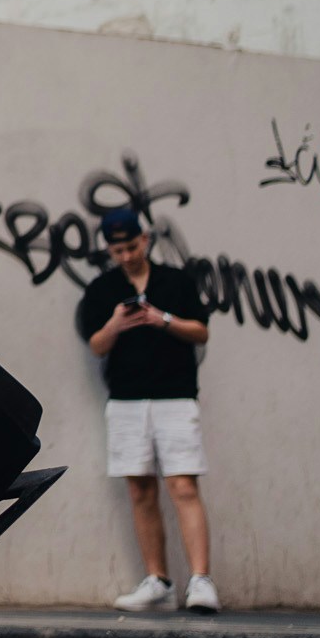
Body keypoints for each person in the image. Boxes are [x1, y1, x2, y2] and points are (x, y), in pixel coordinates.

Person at [74, 209, 218, 614]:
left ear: (146, 240)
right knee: (140, 489)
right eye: (117, 250)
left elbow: (201, 331)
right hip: (126, 399)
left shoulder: (176, 280)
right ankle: (158, 581)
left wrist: (161, 318)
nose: (126, 256)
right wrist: (117, 323)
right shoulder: (103, 289)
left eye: (131, 247)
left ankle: (201, 580)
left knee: (183, 485)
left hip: (175, 396)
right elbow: (96, 345)